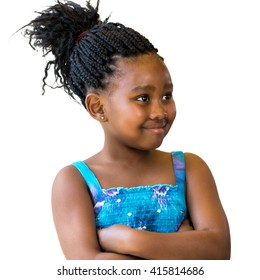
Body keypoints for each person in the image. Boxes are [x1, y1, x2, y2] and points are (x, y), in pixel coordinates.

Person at [21, 0, 230, 260]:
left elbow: (218, 251)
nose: (159, 111)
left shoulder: (190, 169)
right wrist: (181, 245)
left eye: (167, 95)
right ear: (98, 107)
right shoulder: (74, 182)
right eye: (143, 98)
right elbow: (90, 270)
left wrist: (128, 240)